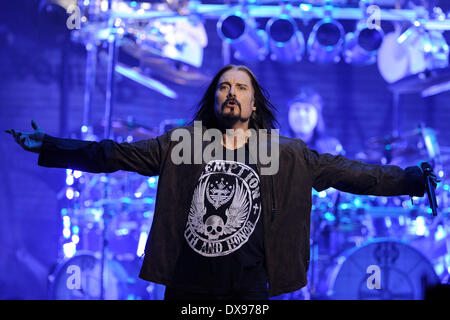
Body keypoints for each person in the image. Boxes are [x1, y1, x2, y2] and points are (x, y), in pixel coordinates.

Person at [6, 64, 437, 300]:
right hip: (188, 285)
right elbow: (113, 154)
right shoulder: (182, 144)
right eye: (224, 86)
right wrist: (54, 146)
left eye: (241, 87)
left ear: (253, 100)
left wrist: (413, 179)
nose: (231, 92)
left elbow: (351, 173)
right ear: (214, 98)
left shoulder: (285, 153)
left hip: (248, 288)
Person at [286, 87, 343, 155]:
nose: (301, 114)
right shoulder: (274, 146)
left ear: (317, 115)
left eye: (307, 109)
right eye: (297, 109)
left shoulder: (331, 148)